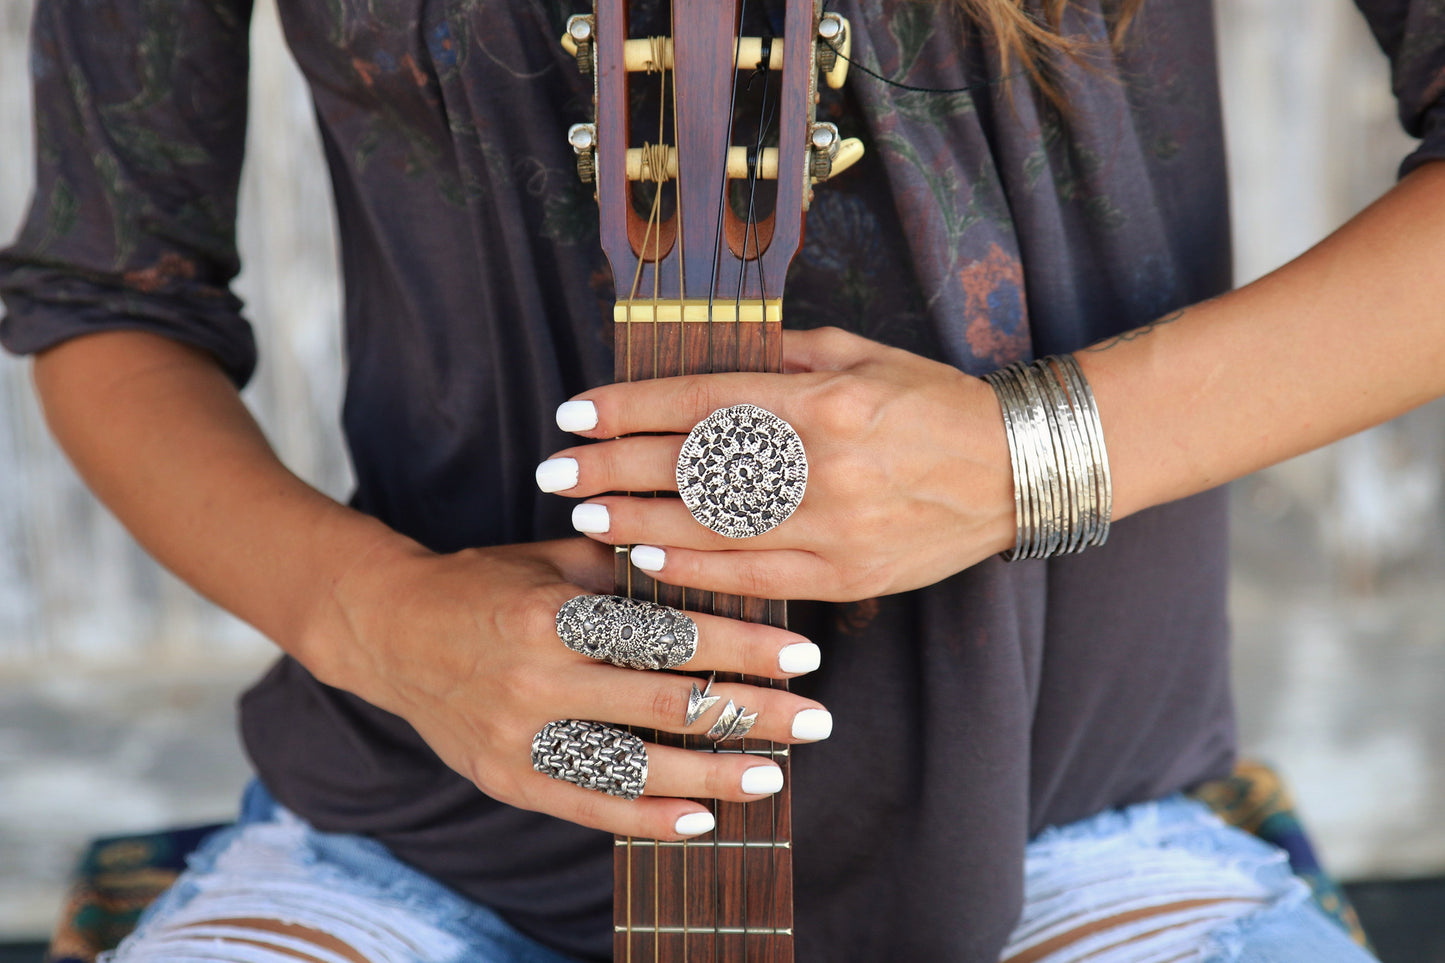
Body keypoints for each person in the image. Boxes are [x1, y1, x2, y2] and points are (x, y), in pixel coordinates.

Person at [1, 0, 1439, 960]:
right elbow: (107, 296)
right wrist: (380, 625)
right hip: (429, 846)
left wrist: (1025, 456)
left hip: (1077, 828)